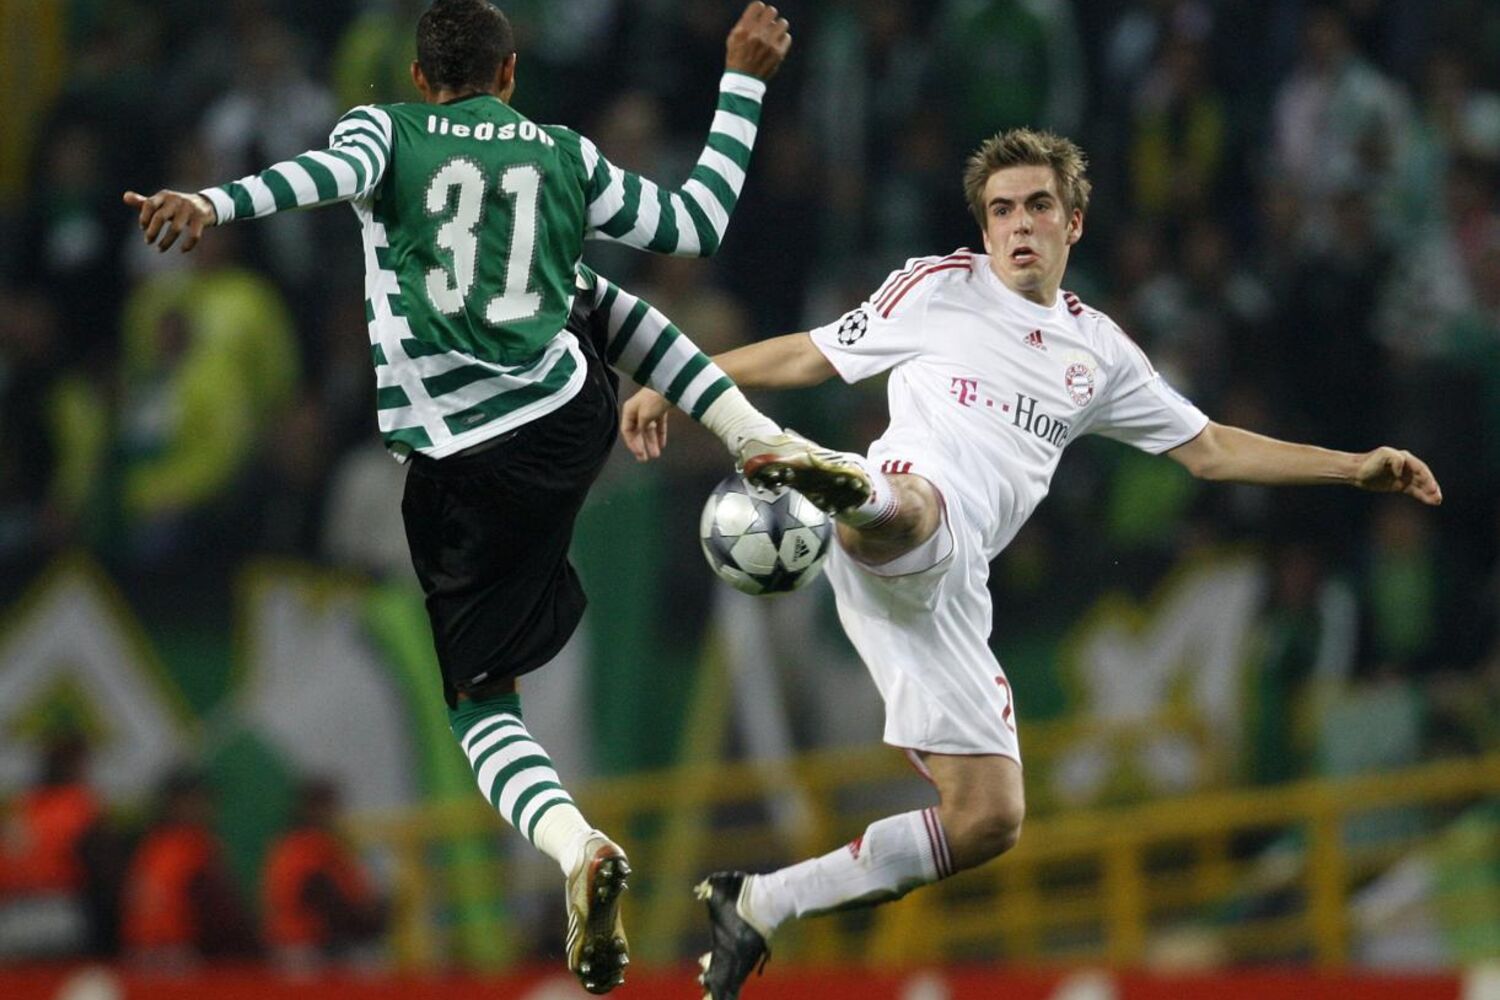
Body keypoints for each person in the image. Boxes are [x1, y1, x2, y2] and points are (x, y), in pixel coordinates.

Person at [122, 2, 866, 993]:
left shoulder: (384, 132)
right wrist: (742, 83)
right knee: (592, 297)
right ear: (511, 75)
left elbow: (320, 176)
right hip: (572, 420)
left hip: (461, 469)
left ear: (419, 79)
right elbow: (696, 226)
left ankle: (574, 848)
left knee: (483, 710)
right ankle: (752, 432)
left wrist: (214, 203)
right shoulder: (563, 151)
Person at [619, 127, 1444, 1000]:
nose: (1018, 225)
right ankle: (830, 479)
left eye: (1038, 207)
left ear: (1073, 222)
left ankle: (759, 903)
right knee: (916, 508)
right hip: (908, 508)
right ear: (983, 228)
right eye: (1002, 210)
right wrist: (684, 379)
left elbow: (1209, 449)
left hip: (951, 592)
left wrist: (1352, 466)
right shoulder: (938, 288)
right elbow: (809, 352)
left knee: (989, 817)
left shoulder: (1102, 353)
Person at [263, 779, 387, 970]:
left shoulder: (314, 844)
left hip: (318, 944)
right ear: (313, 808)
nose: (335, 813)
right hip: (307, 947)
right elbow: (324, 898)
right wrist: (369, 921)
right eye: (329, 806)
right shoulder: (304, 847)